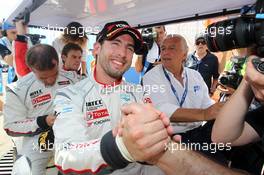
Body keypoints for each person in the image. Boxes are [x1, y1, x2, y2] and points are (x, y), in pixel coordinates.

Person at [52, 21, 166, 174]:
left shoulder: (139, 92)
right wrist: (122, 148)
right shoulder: (69, 95)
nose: (122, 53)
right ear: (96, 49)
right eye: (115, 43)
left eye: (129, 48)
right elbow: (66, 153)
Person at [98, 103, 250, 175]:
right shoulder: (153, 77)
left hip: (176, 141)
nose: (165, 52)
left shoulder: (195, 76)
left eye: (130, 47)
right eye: (163, 48)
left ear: (183, 54)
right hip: (175, 140)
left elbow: (212, 110)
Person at [3, 44, 80, 175]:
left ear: (57, 62)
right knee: (24, 170)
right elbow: (10, 126)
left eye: (54, 74)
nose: (50, 80)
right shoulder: (18, 89)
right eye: (43, 77)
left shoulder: (73, 78)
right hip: (38, 138)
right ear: (32, 69)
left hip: (71, 134)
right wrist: (43, 121)